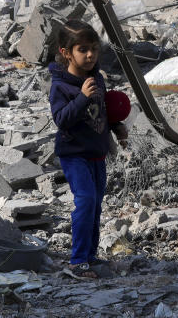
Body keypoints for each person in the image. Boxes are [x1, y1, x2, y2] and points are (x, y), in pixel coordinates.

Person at [48, 20, 127, 278]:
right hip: (74, 154)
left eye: (93, 48)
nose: (90, 54)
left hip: (97, 153)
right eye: (83, 49)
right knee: (85, 201)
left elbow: (101, 110)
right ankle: (78, 261)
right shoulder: (61, 85)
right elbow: (61, 119)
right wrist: (81, 97)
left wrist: (116, 127)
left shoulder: (96, 78)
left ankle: (90, 257)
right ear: (66, 52)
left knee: (95, 205)